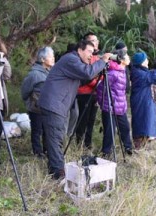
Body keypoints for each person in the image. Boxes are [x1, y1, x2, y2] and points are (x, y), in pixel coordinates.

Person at [38, 40, 112, 180]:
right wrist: (102, 61)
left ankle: (54, 168)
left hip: (56, 104)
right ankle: (57, 173)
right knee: (56, 138)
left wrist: (99, 71)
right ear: (80, 50)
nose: (91, 55)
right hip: (54, 104)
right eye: (89, 51)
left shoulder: (72, 61)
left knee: (55, 137)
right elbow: (86, 73)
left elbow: (83, 79)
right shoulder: (71, 59)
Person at [130, 52, 156, 149]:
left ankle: (143, 147)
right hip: (141, 102)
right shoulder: (139, 73)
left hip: (145, 101)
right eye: (145, 59)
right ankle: (139, 148)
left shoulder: (141, 71)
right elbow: (151, 76)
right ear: (141, 62)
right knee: (142, 124)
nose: (148, 61)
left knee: (146, 123)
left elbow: (152, 74)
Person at [97, 53, 133, 157]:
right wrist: (102, 103)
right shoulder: (113, 73)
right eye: (127, 56)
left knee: (125, 128)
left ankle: (128, 148)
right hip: (110, 107)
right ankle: (106, 152)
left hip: (120, 107)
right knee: (109, 131)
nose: (129, 58)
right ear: (121, 60)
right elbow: (100, 88)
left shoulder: (122, 71)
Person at [21, 46, 55, 158]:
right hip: (36, 108)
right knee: (37, 130)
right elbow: (25, 91)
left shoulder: (50, 72)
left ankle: (47, 150)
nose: (53, 58)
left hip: (48, 107)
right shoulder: (34, 74)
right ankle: (37, 152)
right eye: (51, 57)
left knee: (47, 129)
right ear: (42, 59)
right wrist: (31, 103)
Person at [75, 32, 101, 150]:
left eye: (96, 40)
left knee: (91, 120)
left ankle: (88, 144)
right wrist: (98, 84)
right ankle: (79, 143)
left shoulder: (98, 57)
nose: (95, 43)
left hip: (95, 93)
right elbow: (86, 75)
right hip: (84, 93)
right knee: (83, 120)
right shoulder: (85, 57)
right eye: (92, 40)